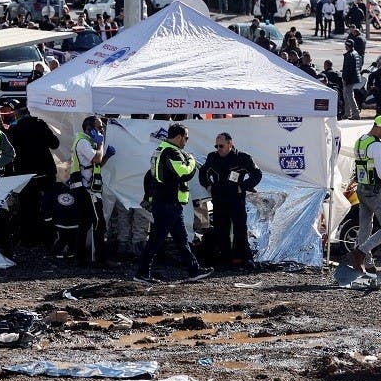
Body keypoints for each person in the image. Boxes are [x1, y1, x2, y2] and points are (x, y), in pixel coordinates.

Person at [134, 124, 211, 283]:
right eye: (186, 138)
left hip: (170, 203)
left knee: (181, 239)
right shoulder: (171, 151)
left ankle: (193, 271)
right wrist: (191, 160)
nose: (186, 142)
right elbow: (184, 173)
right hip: (167, 202)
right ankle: (141, 274)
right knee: (156, 240)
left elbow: (149, 176)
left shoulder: (161, 150)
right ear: (179, 137)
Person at [199, 133, 263, 267]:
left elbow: (257, 174)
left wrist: (243, 187)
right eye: (216, 146)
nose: (218, 149)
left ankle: (245, 258)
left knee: (240, 228)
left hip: (236, 198)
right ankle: (224, 259)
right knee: (221, 229)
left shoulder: (242, 157)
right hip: (219, 198)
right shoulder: (213, 157)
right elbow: (202, 173)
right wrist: (208, 186)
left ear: (230, 144)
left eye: (221, 146)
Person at [7, 103, 60, 245]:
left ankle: (28, 239)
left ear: (16, 115)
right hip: (45, 172)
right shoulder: (40, 124)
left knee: (27, 207)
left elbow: (10, 151)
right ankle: (48, 238)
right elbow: (55, 143)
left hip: (24, 174)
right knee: (47, 205)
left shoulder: (14, 129)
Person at [350, 116, 381, 273]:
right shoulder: (377, 145)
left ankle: (368, 265)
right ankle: (361, 252)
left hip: (362, 189)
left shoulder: (361, 140)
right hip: (375, 191)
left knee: (365, 228)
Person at [70, 116, 117, 265]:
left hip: (87, 187)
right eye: (99, 127)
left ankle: (80, 258)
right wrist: (100, 143)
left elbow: (96, 164)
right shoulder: (83, 142)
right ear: (89, 129)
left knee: (84, 223)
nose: (102, 129)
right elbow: (96, 159)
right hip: (87, 189)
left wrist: (106, 156)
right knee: (99, 223)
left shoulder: (87, 142)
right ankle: (100, 259)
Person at [341, 39, 362, 120]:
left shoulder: (349, 55)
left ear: (348, 45)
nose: (345, 46)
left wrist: (345, 78)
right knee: (347, 96)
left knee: (349, 96)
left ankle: (355, 113)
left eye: (346, 45)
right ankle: (347, 113)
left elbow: (348, 69)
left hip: (349, 78)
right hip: (354, 77)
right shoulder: (355, 53)